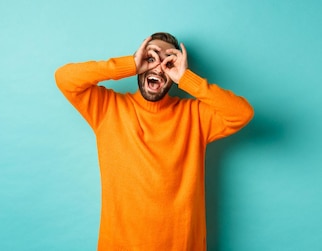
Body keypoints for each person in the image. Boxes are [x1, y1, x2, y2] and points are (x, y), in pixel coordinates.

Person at [55, 32, 254, 250]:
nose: (159, 67)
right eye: (151, 58)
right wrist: (128, 64)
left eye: (169, 61)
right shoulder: (107, 108)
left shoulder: (194, 116)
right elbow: (65, 78)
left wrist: (186, 78)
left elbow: (241, 113)